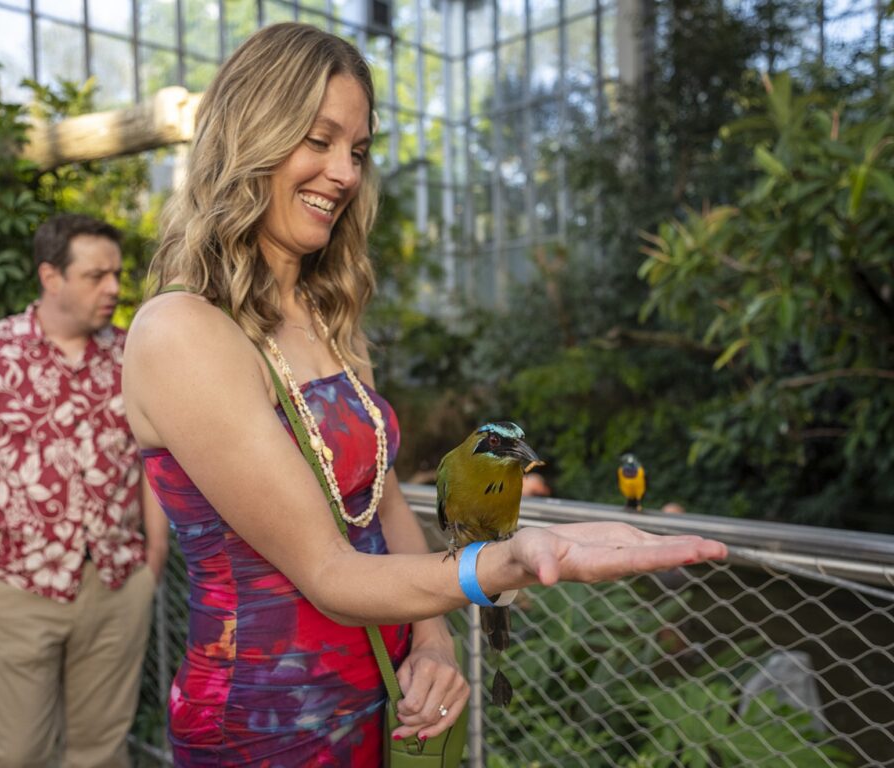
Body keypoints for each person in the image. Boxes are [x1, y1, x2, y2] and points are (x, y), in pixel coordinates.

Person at [123, 22, 727, 766]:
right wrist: (503, 561)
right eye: (319, 139)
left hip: (382, 697)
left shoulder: (326, 316)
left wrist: (435, 640)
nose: (344, 173)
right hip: (265, 723)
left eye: (359, 151)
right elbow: (329, 572)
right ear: (250, 134)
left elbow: (379, 507)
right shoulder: (180, 331)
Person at [0, 213, 169, 768]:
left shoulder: (133, 355)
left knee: (103, 754)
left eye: (116, 274)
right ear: (50, 276)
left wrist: (153, 557)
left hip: (116, 584)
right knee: (14, 755)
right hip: (16, 587)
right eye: (96, 275)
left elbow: (154, 458)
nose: (113, 287)